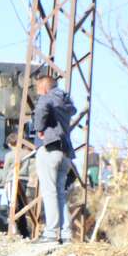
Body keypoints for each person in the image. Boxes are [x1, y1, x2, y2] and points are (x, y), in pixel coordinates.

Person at [33, 74, 77, 244]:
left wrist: (39, 128)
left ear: (44, 87)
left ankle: (51, 233)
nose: (37, 92)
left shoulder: (47, 98)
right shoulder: (65, 101)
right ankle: (66, 234)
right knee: (59, 194)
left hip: (49, 148)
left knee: (49, 192)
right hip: (65, 152)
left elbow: (41, 108)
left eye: (38, 89)